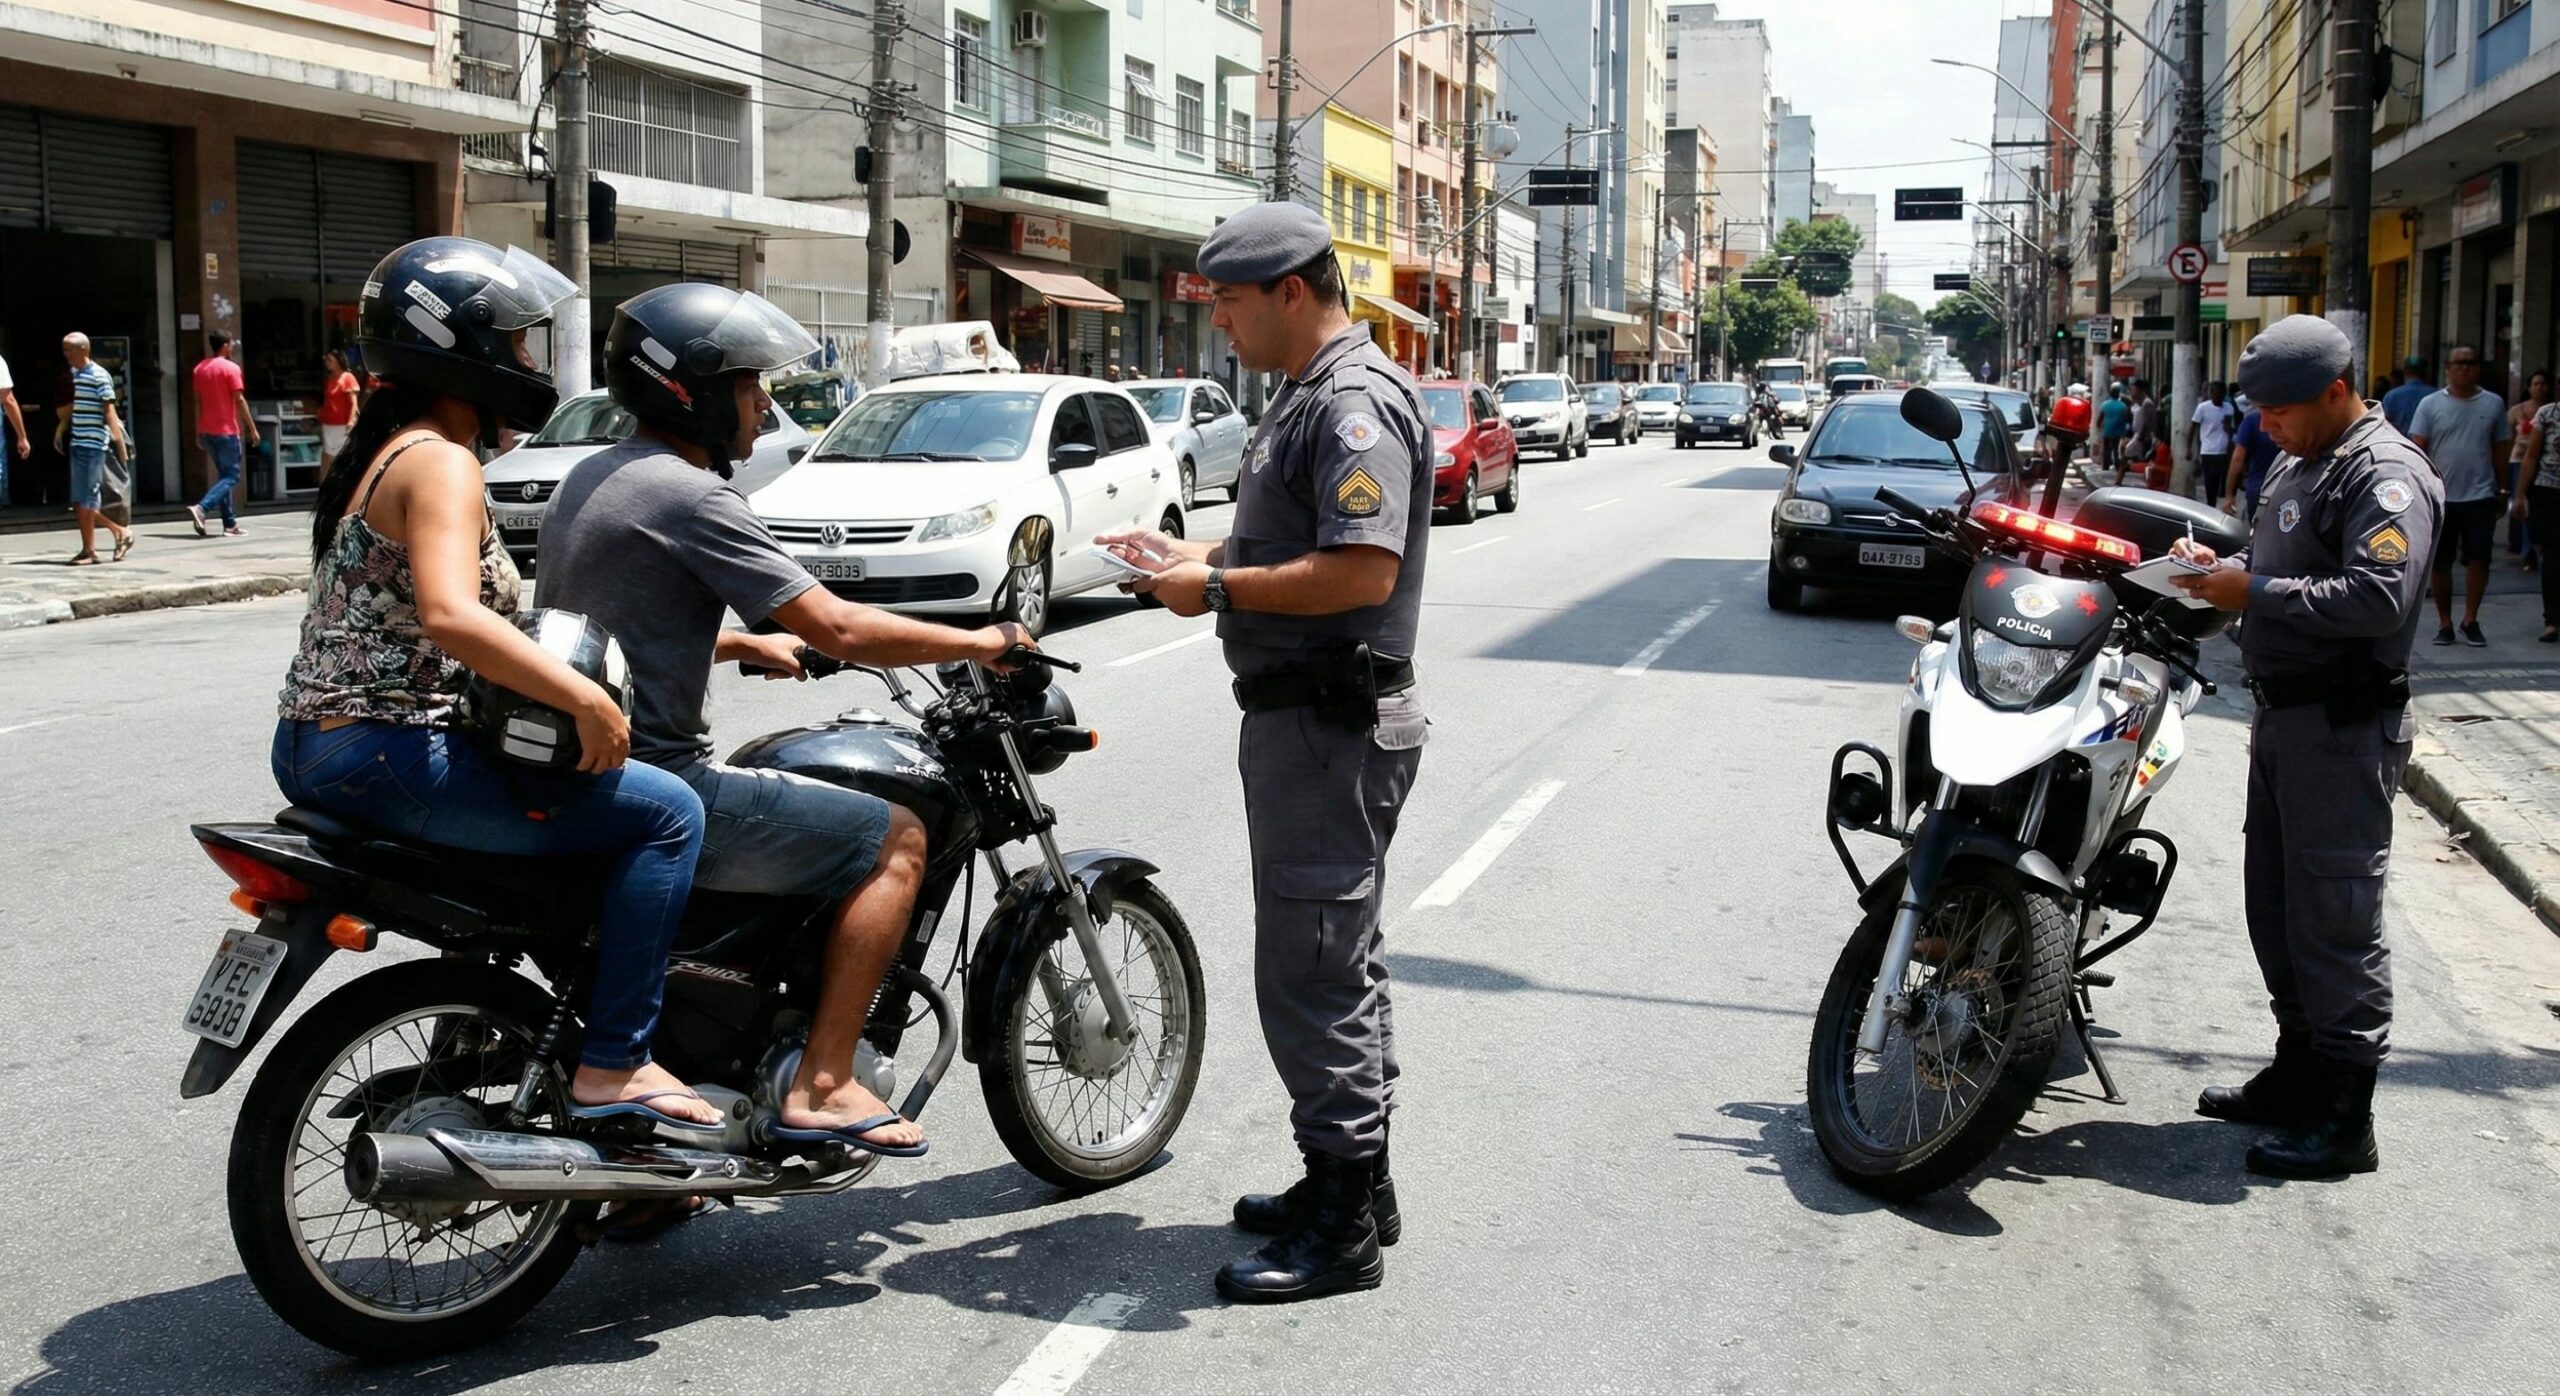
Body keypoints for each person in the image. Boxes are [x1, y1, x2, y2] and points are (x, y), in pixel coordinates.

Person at [537, 282, 1033, 1160]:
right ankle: (825, 1083)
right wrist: (981, 638)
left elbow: (616, 618)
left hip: (579, 764)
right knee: (897, 840)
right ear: (689, 388)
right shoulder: (691, 496)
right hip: (659, 777)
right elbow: (835, 625)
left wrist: (729, 645)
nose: (764, 403)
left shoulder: (599, 474)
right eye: (748, 385)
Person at [271, 237, 724, 1139]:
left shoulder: (383, 449)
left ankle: (510, 1038)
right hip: (386, 750)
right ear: (459, 348)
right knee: (668, 813)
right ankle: (614, 1063)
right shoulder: (440, 460)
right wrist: (587, 700)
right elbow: (449, 616)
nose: (524, 364)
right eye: (514, 345)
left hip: (323, 744)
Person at [1100, 202, 1430, 1305]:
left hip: (1327, 727)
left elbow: (1359, 571)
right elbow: (1291, 542)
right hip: (1308, 723)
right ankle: (1352, 1180)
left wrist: (1218, 587)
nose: (1222, 327)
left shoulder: (1349, 403)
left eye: (1232, 304)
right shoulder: (1304, 395)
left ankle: (1341, 1229)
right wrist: (1191, 554)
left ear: (1292, 290)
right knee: (1338, 956)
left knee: (1312, 966)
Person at [2170, 314, 2442, 1180]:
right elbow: (2279, 555)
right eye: (2259, 413)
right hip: (2283, 719)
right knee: (2278, 909)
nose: (2267, 427)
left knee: (2336, 918)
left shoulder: (2385, 473)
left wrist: (2254, 589)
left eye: (2281, 411)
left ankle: (2343, 1116)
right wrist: (2218, 564)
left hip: (2341, 726)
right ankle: (2297, 1072)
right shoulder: (2299, 460)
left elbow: (2376, 598)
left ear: (2336, 391)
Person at [2407, 346, 2512, 647]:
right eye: (2459, 363)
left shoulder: (2493, 404)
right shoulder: (2429, 404)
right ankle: (2445, 622)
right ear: (2448, 368)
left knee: (2479, 559)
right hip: (2441, 497)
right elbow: (2417, 448)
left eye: (2471, 363)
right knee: (2440, 563)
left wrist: (2503, 489)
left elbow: (2500, 449)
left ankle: (2470, 619)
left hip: (2480, 496)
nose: (2465, 368)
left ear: (2479, 368)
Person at [56, 333, 134, 564]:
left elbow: (109, 412)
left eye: (70, 350)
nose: (66, 354)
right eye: (65, 350)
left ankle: (98, 545)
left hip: (94, 445)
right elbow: (72, 409)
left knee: (88, 499)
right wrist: (60, 431)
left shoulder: (100, 375)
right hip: (78, 442)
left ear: (83, 350)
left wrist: (121, 446)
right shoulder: (74, 376)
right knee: (79, 501)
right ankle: (106, 539)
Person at [188, 331, 260, 538]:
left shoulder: (199, 369)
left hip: (207, 430)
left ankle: (229, 523)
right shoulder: (231, 368)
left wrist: (197, 431)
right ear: (226, 346)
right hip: (226, 431)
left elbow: (197, 402)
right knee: (231, 476)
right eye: (231, 344)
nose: (233, 347)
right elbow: (239, 400)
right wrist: (252, 428)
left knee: (223, 477)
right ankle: (202, 508)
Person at [2515, 389, 2560, 642]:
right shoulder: (2547, 414)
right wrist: (2520, 495)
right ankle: (2552, 620)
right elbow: (2531, 456)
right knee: (2553, 556)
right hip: (2549, 492)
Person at [2506, 368, 2549, 570]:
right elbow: (2507, 440)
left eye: (2543, 384)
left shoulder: (2551, 411)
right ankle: (2526, 550)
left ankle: (2537, 544)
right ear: (2529, 387)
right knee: (2521, 503)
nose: (2540, 388)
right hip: (2518, 461)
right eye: (2536, 384)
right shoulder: (2517, 411)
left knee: (2538, 507)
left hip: (2544, 464)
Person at [2223, 399, 2275, 523]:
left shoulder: (2252, 421)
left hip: (2259, 490)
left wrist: (2230, 495)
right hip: (2289, 488)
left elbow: (2238, 459)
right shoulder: (2294, 418)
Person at [2191, 380, 2237, 508]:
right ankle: (2211, 504)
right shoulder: (2203, 408)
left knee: (2221, 479)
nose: (2219, 396)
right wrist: (2190, 448)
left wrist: (2228, 428)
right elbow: (2193, 427)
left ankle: (2220, 499)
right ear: (2211, 393)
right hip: (2208, 450)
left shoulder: (2228, 408)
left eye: (2222, 393)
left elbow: (2232, 429)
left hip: (2223, 450)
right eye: (2216, 393)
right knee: (2210, 480)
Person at [317, 348, 361, 478]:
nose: (327, 363)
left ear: (338, 361)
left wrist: (351, 420)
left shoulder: (348, 377)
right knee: (328, 454)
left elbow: (354, 402)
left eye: (330, 360)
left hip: (342, 424)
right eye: (326, 360)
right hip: (328, 423)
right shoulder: (330, 379)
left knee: (339, 455)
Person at [2380, 354, 2432, 435]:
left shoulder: (2391, 396)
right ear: (2426, 372)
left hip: (2398, 444)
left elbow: (2384, 424)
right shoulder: (2434, 395)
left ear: (2404, 371)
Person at [2098, 383, 2132, 482]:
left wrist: (2100, 426)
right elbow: (2127, 419)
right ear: (2118, 394)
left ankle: (2105, 467)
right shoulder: (2123, 406)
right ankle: (2117, 467)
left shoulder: (2105, 405)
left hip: (2107, 431)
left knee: (2106, 450)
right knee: (2117, 451)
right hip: (2118, 431)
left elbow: (2100, 419)